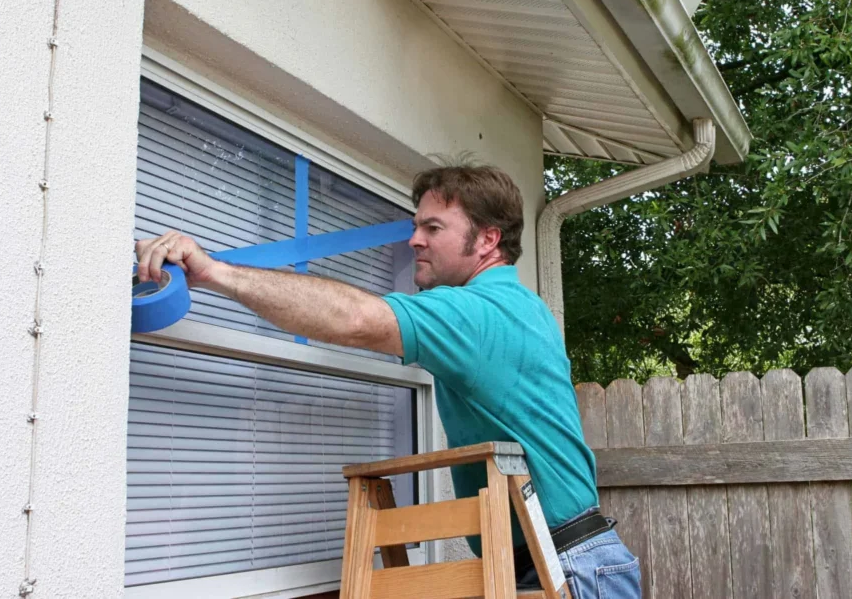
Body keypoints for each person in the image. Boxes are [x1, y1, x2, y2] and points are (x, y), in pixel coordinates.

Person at [135, 163, 641, 597]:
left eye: (433, 228)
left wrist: (215, 273)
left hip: (564, 568)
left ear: (488, 240)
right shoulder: (515, 306)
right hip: (554, 560)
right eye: (416, 225)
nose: (413, 239)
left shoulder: (481, 313)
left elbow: (355, 319)